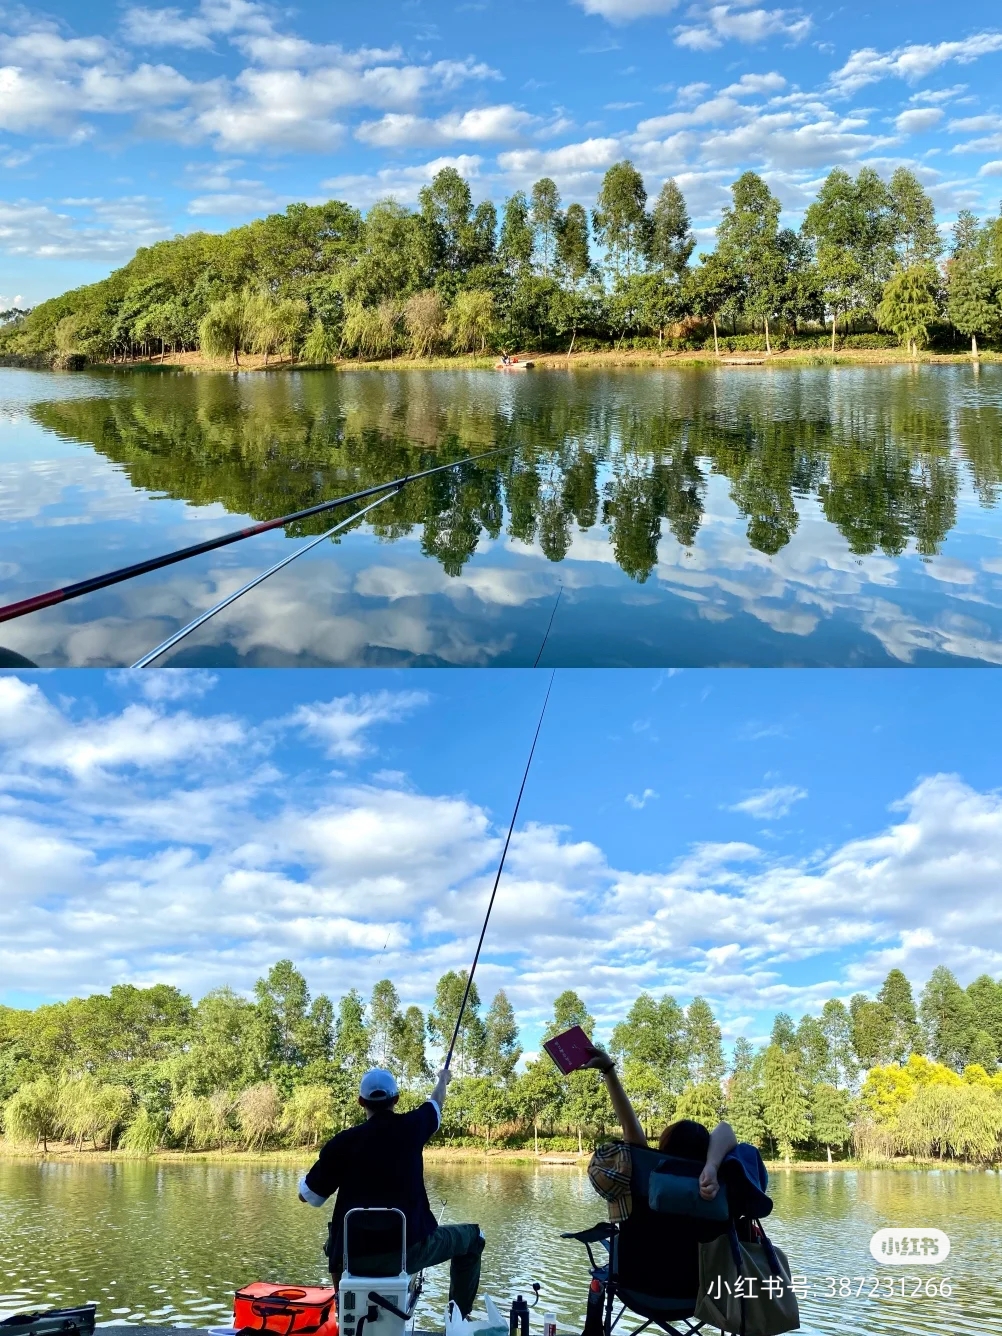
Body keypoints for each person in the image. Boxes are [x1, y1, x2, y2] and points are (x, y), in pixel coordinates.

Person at [298, 1067, 485, 1318]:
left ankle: (343, 1306)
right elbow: (436, 1103)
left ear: (361, 1101)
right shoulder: (414, 1127)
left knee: (334, 1239)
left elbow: (308, 1196)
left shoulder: (341, 1143)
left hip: (352, 1258)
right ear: (396, 1099)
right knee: (474, 1238)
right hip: (407, 1254)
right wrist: (443, 1079)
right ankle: (459, 1318)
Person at [581, 1043, 739, 1300]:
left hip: (637, 1287)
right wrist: (711, 1165)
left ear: (665, 1145)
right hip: (699, 1295)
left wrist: (608, 1069)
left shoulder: (641, 1173)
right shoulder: (717, 1181)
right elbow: (725, 1129)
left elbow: (629, 1124)